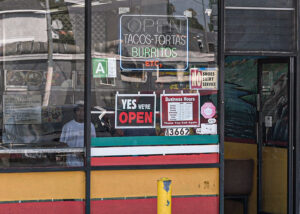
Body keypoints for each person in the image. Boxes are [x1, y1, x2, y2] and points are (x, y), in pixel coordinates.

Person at [60, 101, 96, 166]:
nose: (81, 113)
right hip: (72, 164)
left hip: (87, 164)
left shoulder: (91, 126)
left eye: (84, 110)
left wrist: (86, 153)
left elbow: (93, 143)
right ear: (75, 112)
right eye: (79, 110)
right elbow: (62, 144)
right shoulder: (68, 126)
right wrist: (74, 151)